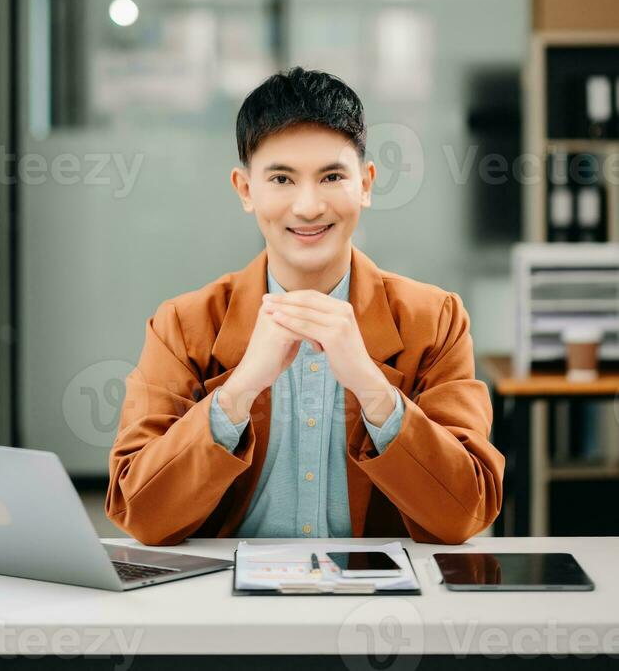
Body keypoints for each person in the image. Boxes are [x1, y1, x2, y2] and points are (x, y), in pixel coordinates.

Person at [105, 66, 504, 545]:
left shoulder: (434, 321)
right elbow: (139, 512)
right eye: (282, 179)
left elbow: (466, 511)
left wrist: (374, 391)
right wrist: (238, 391)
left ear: (367, 183)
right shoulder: (183, 325)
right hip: (222, 606)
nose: (309, 206)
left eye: (332, 176)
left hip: (383, 606)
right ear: (246, 190)